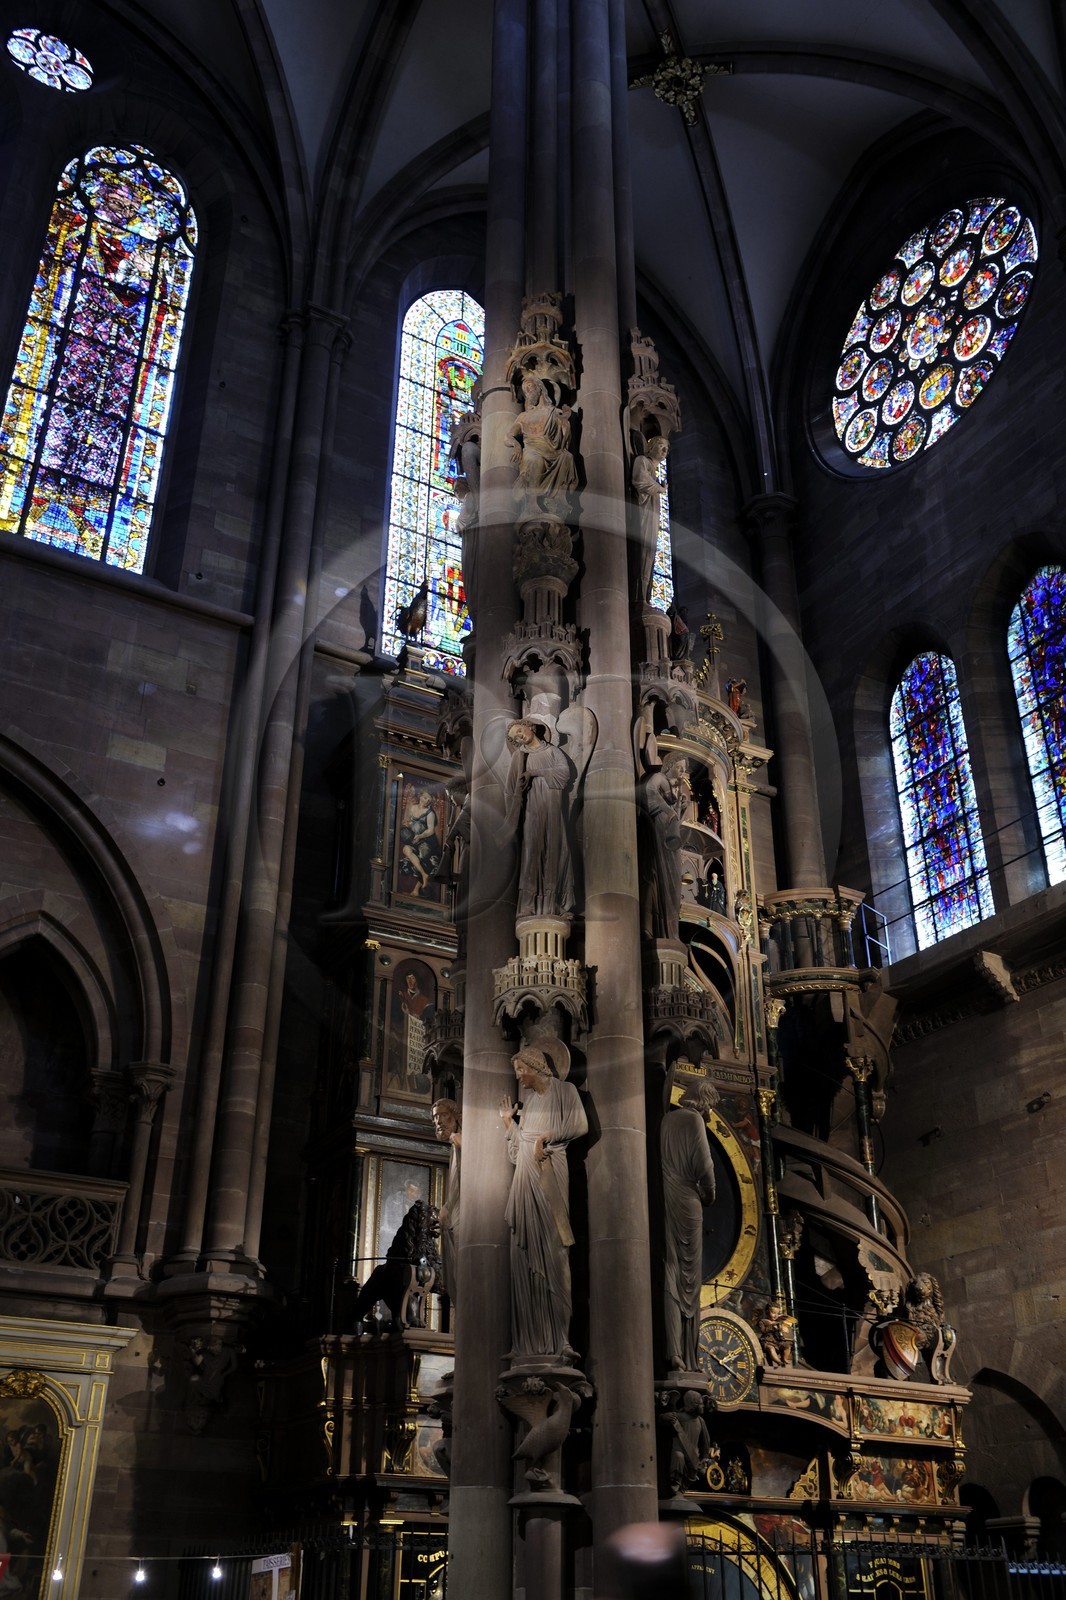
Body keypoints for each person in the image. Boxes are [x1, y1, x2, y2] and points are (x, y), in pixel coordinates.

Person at [499, 1046, 588, 1359]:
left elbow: (580, 1125)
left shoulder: (564, 1091)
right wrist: (511, 1126)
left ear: (535, 1067)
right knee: (523, 1257)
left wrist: (545, 1137)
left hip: (550, 1173)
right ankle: (526, 1342)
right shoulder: (532, 1101)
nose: (518, 1077)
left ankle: (560, 1340)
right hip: (524, 1181)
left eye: (521, 1070)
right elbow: (516, 1153)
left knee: (553, 1253)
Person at [660, 1079, 719, 1372]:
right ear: (704, 1102)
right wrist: (709, 1194)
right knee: (689, 1281)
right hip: (688, 1201)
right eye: (710, 1106)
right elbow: (704, 1166)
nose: (710, 1112)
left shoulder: (667, 1119)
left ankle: (673, 1351)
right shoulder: (693, 1120)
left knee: (670, 1271)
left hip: (666, 1197)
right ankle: (688, 1354)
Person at [502, 719, 575, 919]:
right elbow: (510, 790)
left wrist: (534, 772)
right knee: (532, 852)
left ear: (530, 727)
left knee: (558, 850)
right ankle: (528, 904)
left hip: (553, 808)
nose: (519, 736)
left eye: (519, 730)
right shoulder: (520, 756)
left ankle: (556, 903)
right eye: (515, 737)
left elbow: (564, 774)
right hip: (532, 811)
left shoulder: (552, 752)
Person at [507, 375, 578, 521]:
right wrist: (516, 445)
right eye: (525, 391)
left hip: (551, 449)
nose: (528, 393)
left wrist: (565, 420)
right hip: (532, 450)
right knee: (535, 459)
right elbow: (508, 436)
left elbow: (564, 438)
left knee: (567, 457)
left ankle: (559, 500)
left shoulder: (554, 412)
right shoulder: (523, 416)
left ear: (540, 388)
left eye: (530, 388)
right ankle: (532, 504)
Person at [631, 436, 669, 605]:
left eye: (666, 448)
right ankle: (638, 593)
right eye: (661, 446)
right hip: (643, 514)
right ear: (650, 446)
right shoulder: (642, 461)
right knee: (643, 551)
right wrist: (660, 489)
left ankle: (645, 595)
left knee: (650, 553)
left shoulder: (654, 472)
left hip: (652, 516)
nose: (664, 451)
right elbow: (639, 480)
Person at [431, 1099, 462, 1305]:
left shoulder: (460, 1140)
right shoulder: (454, 1144)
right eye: (435, 1118)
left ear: (456, 1116)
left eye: (443, 1115)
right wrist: (446, 1208)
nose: (438, 1122)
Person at [399, 789, 441, 893]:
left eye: (429, 800)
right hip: (414, 839)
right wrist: (408, 824)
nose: (426, 801)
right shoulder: (413, 808)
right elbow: (410, 823)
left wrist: (420, 836)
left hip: (427, 841)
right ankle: (424, 874)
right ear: (420, 795)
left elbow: (431, 830)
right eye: (425, 797)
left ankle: (416, 889)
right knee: (406, 850)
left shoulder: (430, 813)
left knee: (423, 858)